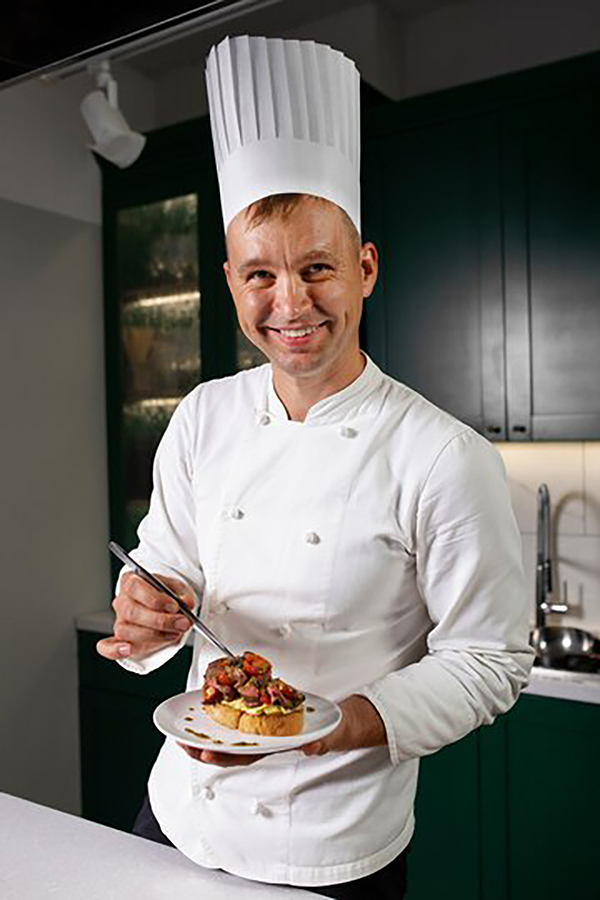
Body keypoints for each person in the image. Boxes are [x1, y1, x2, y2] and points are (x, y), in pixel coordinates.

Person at [97, 35, 534, 899]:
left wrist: (335, 727)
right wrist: (150, 613)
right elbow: (167, 569)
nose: (289, 304)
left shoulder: (442, 455)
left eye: (317, 268)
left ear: (365, 270)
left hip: (333, 845)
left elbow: (489, 659)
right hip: (178, 814)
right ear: (230, 282)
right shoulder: (202, 415)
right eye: (260, 274)